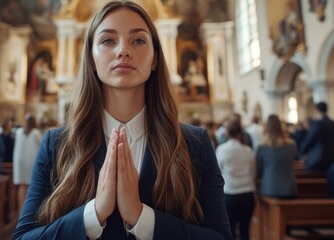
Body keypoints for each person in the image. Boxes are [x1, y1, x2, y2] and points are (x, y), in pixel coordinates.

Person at [13, 1, 232, 239]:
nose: (123, 51)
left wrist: (142, 218)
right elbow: (24, 236)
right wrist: (93, 215)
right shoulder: (56, 144)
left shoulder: (195, 144)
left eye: (138, 40)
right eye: (108, 40)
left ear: (155, 59)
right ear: (92, 60)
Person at [216, 117, 255, 240]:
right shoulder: (248, 151)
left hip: (230, 194)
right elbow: (253, 172)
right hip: (248, 194)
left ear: (227, 133)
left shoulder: (222, 150)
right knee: (245, 231)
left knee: (230, 231)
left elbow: (217, 172)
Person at [256, 115, 297, 198]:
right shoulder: (291, 145)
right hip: (288, 187)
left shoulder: (262, 147)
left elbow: (259, 169)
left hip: (269, 187)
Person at [13, 114, 42, 212]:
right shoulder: (36, 133)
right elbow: (40, 147)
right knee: (31, 186)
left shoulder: (18, 132)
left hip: (20, 161)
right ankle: (29, 210)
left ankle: (21, 209)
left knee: (22, 185)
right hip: (32, 160)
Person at [299, 102, 334, 172]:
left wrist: (301, 153)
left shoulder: (317, 124)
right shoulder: (332, 123)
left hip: (318, 160)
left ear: (317, 110)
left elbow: (309, 140)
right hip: (331, 159)